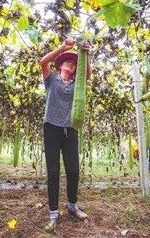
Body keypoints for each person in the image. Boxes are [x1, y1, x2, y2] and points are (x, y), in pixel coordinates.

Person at [40, 37, 92, 232]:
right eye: (67, 62)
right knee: (53, 172)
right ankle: (53, 214)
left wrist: (85, 54)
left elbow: (87, 75)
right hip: (51, 128)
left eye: (73, 63)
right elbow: (43, 62)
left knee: (73, 171)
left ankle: (72, 207)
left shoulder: (76, 84)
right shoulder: (51, 80)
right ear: (60, 65)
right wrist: (62, 48)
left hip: (70, 129)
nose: (70, 64)